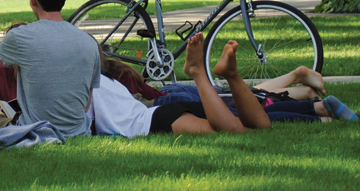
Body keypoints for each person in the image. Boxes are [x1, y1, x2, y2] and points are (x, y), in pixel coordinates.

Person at [0, 0, 101, 138]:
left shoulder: (21, 37)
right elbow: (87, 102)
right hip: (78, 132)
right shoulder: (89, 43)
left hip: (36, 131)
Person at [90, 33, 272, 137]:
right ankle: (231, 76)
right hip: (161, 113)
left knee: (238, 132)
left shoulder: (90, 84)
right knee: (260, 127)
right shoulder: (106, 79)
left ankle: (197, 71)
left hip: (156, 120)